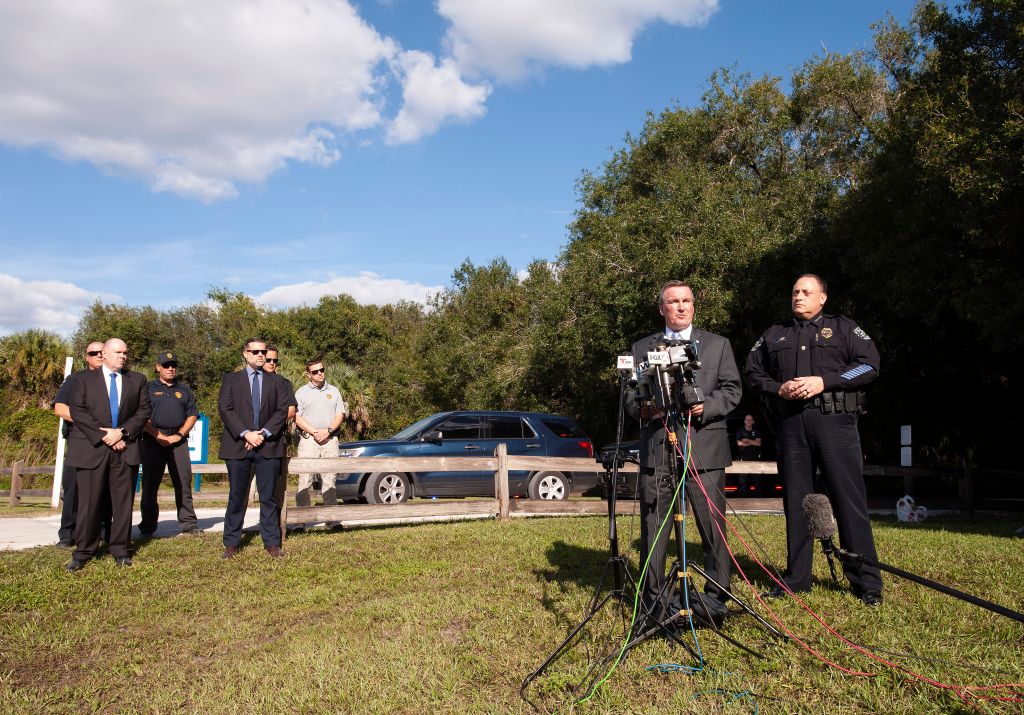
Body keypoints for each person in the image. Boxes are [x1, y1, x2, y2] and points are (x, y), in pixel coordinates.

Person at [746, 274, 884, 606]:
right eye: (794, 292)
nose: (798, 297)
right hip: (791, 426)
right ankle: (796, 579)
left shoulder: (844, 328)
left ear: (823, 297)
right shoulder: (774, 333)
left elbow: (869, 365)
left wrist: (826, 381)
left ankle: (866, 582)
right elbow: (752, 371)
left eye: (806, 292)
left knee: (847, 501)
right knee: (797, 502)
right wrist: (776, 388)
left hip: (835, 424)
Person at [627, 280, 742, 625]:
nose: (680, 307)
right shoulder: (641, 347)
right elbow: (630, 396)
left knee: (712, 528)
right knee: (655, 527)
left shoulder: (718, 345)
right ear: (661, 308)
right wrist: (644, 410)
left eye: (686, 301)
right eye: (673, 301)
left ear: (693, 306)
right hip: (659, 448)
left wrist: (706, 406)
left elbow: (732, 389)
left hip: (704, 448)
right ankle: (656, 601)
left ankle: (715, 600)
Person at [64, 338, 152, 571]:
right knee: (89, 503)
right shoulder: (82, 379)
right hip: (92, 449)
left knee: (122, 503)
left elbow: (144, 410)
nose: (123, 356)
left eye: (125, 352)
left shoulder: (137, 380)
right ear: (104, 353)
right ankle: (84, 551)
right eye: (117, 352)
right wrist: (105, 435)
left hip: (126, 449)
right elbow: (77, 410)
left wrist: (122, 432)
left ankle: (121, 549)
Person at [218, 337, 293, 558]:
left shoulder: (278, 382)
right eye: (256, 352)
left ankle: (271, 542)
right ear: (245, 354)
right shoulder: (231, 380)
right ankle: (231, 543)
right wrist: (246, 434)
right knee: (237, 496)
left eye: (263, 352)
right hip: (238, 445)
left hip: (268, 446)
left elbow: (282, 411)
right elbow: (225, 409)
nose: (260, 355)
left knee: (268, 496)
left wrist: (264, 433)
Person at [52, 341, 109, 547]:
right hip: (81, 441)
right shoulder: (75, 380)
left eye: (103, 352)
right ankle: (68, 534)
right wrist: (94, 426)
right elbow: (60, 408)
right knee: (74, 489)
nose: (99, 356)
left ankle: (103, 531)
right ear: (86, 357)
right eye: (94, 353)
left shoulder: (116, 381)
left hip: (109, 442)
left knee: (106, 491)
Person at [138, 351, 199, 537]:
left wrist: (179, 434)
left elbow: (192, 415)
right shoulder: (147, 388)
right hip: (152, 439)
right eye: (166, 365)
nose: (171, 368)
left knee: (183, 482)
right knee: (150, 484)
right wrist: (158, 435)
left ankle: (188, 524)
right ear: (158, 367)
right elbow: (141, 415)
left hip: (178, 441)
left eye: (173, 365)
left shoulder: (184, 389)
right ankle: (147, 527)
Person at [293, 356, 346, 528]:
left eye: (322, 370)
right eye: (315, 371)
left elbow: (340, 415)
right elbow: (297, 417)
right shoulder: (301, 393)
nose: (320, 374)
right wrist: (315, 432)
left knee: (330, 479)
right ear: (308, 374)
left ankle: (332, 520)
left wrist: (328, 431)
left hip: (330, 439)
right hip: (308, 439)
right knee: (304, 479)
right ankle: (301, 521)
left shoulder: (334, 391)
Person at [734, 414, 762, 495]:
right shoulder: (740, 431)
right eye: (747, 420)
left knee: (756, 480)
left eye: (750, 420)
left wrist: (747, 440)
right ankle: (741, 499)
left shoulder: (756, 431)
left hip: (755, 458)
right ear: (744, 421)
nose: (748, 421)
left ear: (753, 421)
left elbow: (759, 444)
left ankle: (758, 499)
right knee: (742, 480)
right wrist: (753, 442)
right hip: (743, 458)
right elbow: (739, 443)